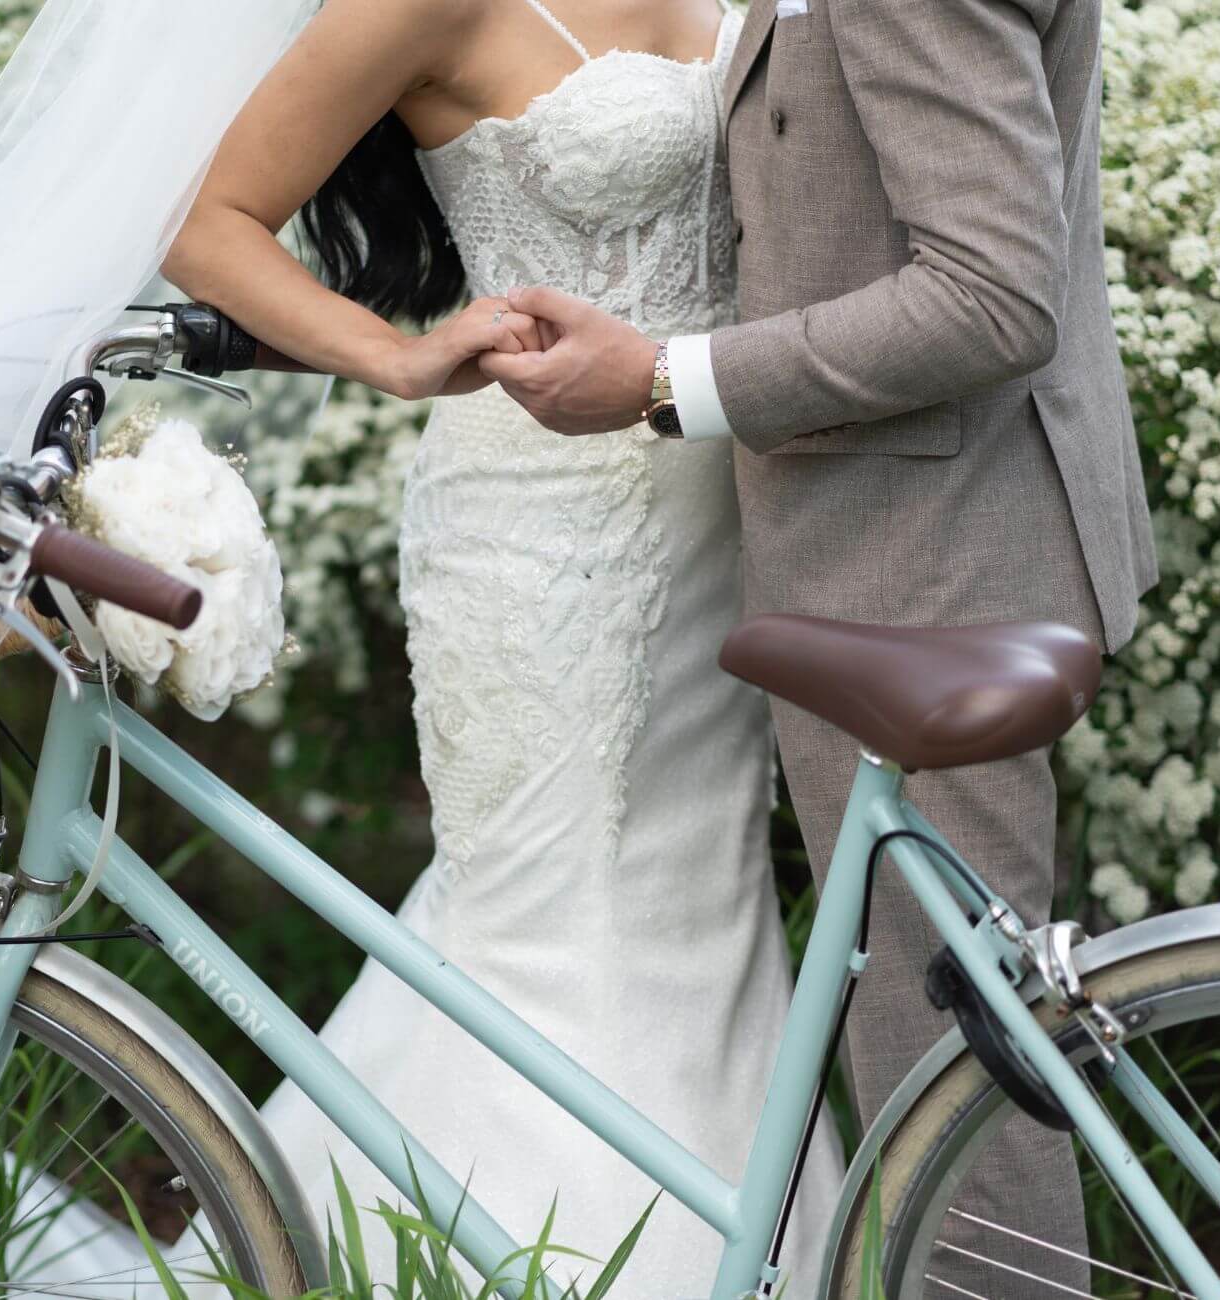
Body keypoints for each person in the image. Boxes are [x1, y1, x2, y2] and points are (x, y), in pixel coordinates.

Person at [478, 0, 1159, 1292]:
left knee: (953, 1090)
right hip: (901, 534)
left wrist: (665, 379)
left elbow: (993, 293)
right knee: (945, 1058)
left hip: (932, 558)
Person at [166, 0, 841, 1293]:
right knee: (548, 918)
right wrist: (396, 358)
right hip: (537, 541)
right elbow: (205, 219)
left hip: (731, 512)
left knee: (703, 897)